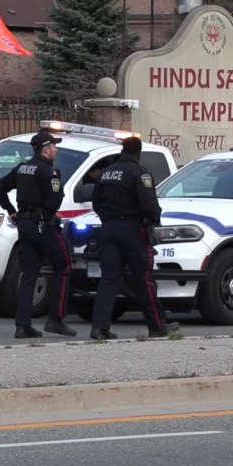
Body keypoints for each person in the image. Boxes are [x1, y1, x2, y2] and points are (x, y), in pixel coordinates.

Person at [90, 137, 179, 340]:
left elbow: (96, 203)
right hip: (132, 230)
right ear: (138, 153)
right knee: (143, 279)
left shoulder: (105, 174)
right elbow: (150, 205)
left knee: (109, 280)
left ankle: (99, 328)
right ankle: (156, 326)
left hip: (109, 229)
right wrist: (152, 221)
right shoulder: (139, 173)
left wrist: (109, 219)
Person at [0, 130, 76, 339]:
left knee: (29, 275)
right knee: (63, 265)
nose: (56, 149)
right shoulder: (49, 172)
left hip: (25, 226)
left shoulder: (22, 168)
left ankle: (23, 325)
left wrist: (12, 211)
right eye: (54, 146)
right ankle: (56, 320)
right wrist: (47, 216)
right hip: (43, 226)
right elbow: (54, 202)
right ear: (46, 149)